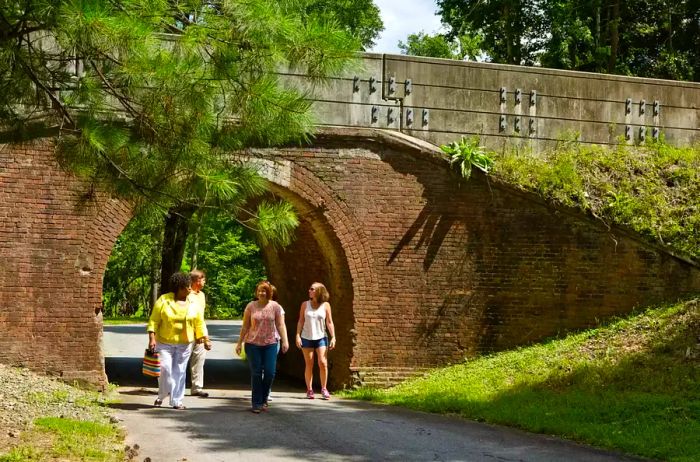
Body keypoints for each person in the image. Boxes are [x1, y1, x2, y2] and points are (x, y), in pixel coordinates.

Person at [147, 272, 211, 410]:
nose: (190, 289)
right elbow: (154, 320)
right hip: (164, 341)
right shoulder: (164, 300)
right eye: (187, 287)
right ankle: (162, 394)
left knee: (180, 371)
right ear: (179, 288)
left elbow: (199, 322)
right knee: (165, 370)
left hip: (185, 343)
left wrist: (205, 338)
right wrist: (152, 338)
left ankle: (176, 401)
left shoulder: (193, 303)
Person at [235, 281, 289, 413]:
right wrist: (239, 342)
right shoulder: (251, 306)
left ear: (269, 293)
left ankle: (264, 396)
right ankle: (256, 403)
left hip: (270, 343)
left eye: (264, 291)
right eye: (259, 291)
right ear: (256, 292)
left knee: (270, 372)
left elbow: (281, 325)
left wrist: (285, 341)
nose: (261, 293)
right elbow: (245, 326)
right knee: (256, 373)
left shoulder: (275, 306)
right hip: (253, 343)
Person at [295, 282, 335, 400]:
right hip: (306, 337)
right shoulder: (304, 305)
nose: (309, 291)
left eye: (312, 289)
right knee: (309, 363)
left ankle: (324, 388)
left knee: (323, 362)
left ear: (318, 291)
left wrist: (333, 337)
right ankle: (310, 389)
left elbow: (329, 321)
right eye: (310, 288)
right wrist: (297, 335)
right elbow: (301, 321)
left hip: (321, 337)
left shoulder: (326, 305)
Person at [188, 269, 210, 397]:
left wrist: (205, 336)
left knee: (199, 359)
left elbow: (200, 316)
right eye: (203, 279)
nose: (204, 282)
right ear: (197, 281)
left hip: (201, 332)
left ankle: (197, 387)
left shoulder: (201, 295)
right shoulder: (186, 294)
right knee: (181, 360)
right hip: (188, 332)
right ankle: (171, 387)